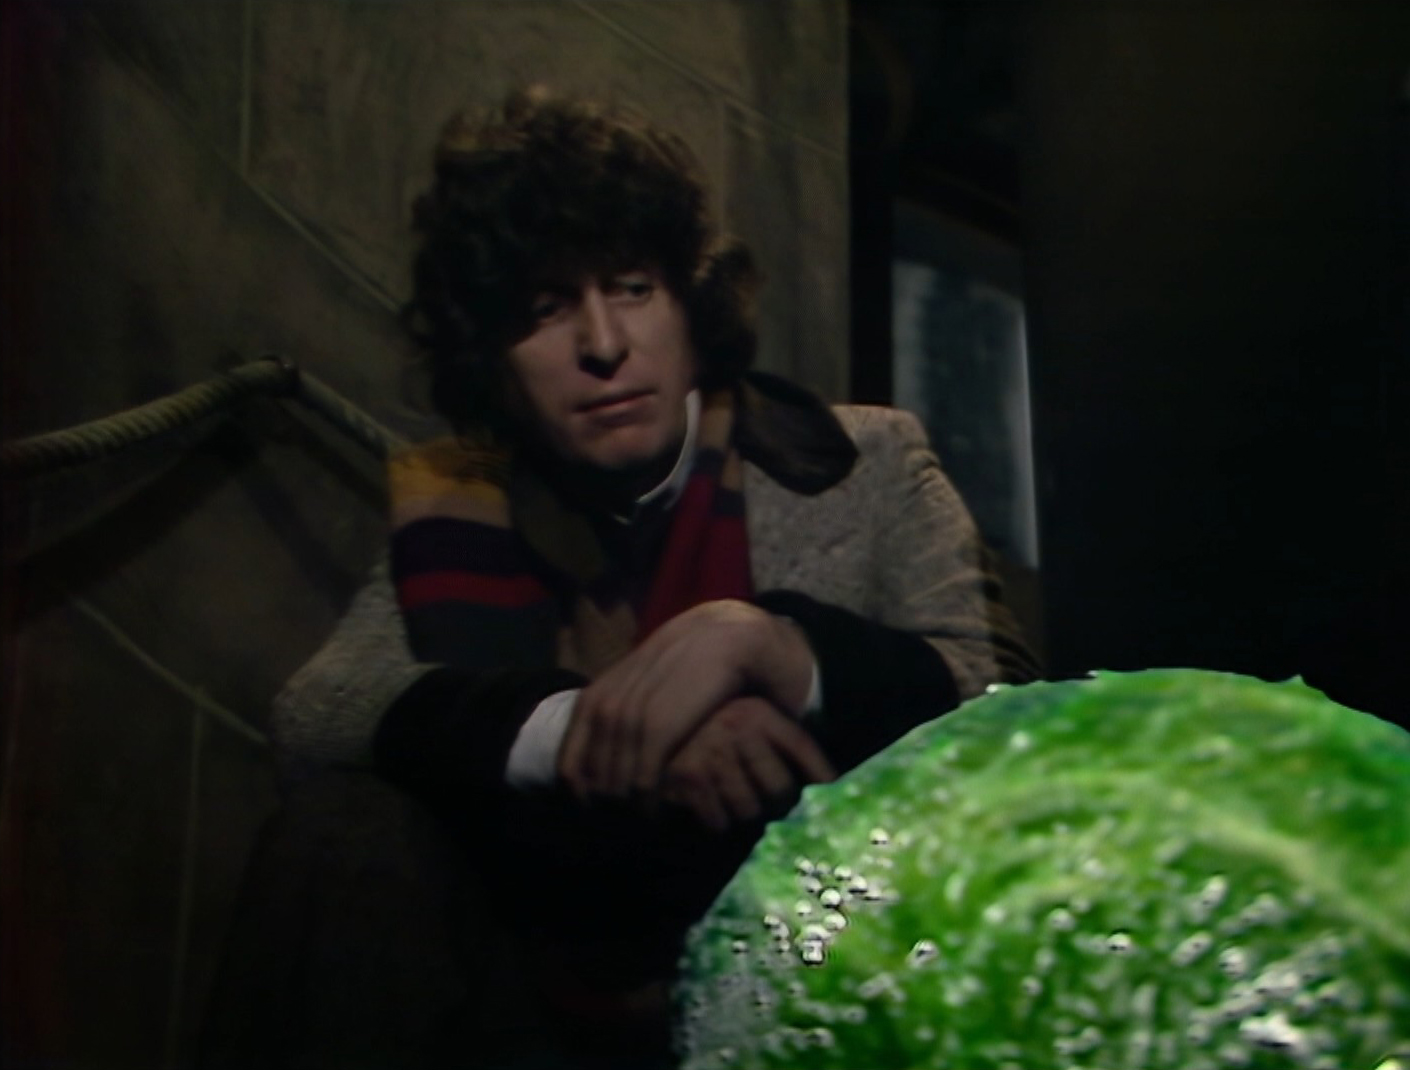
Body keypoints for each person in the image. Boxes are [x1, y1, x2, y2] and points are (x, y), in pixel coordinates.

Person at [201, 87, 1038, 1070]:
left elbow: (1006, 708)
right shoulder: (462, 506)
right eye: (546, 310)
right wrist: (601, 730)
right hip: (536, 1005)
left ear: (690, 305)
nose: (602, 346)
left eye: (633, 288)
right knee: (344, 829)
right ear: (495, 359)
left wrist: (773, 646)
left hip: (806, 984)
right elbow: (318, 712)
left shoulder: (866, 460)